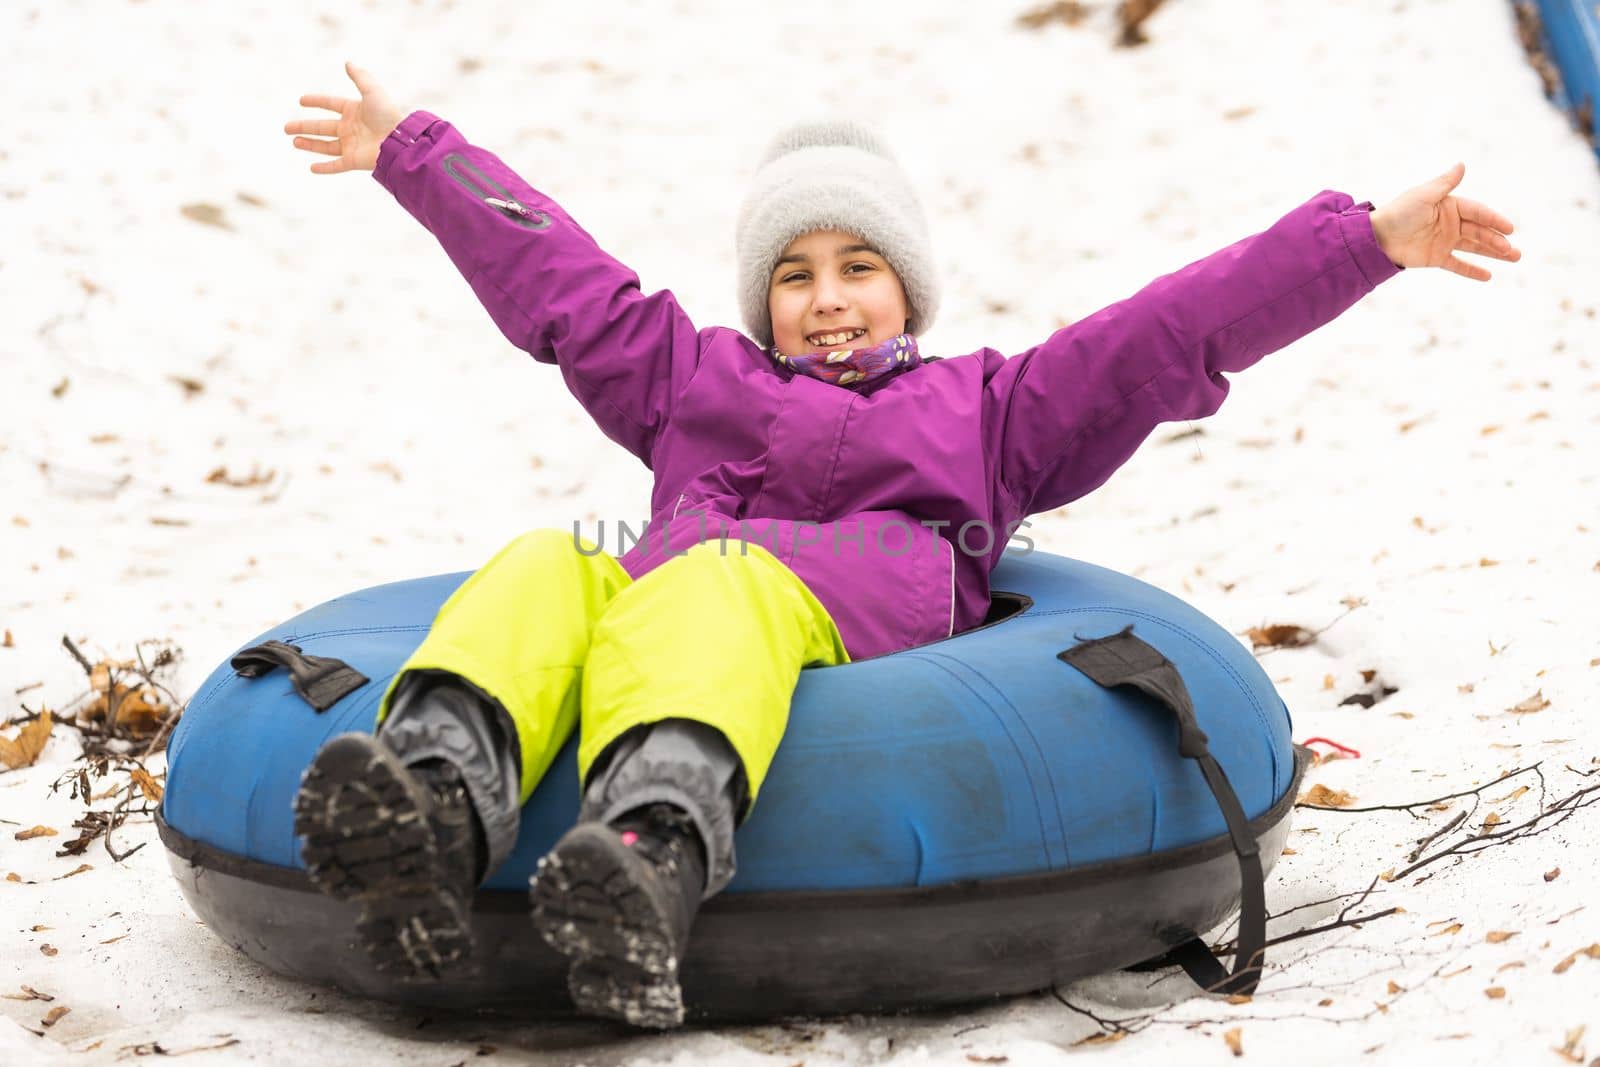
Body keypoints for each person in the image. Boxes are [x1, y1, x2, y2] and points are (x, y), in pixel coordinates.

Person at [282, 61, 1520, 1029]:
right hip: (674, 608)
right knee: (546, 561)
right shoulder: (687, 378)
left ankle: (652, 850)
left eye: (858, 266)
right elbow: (561, 279)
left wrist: (1360, 242)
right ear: (759, 296)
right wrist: (418, 153)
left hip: (843, 622)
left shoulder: (992, 408)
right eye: (796, 273)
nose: (825, 299)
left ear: (908, 286)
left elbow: (1167, 331)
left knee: (721, 579)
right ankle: (432, 803)